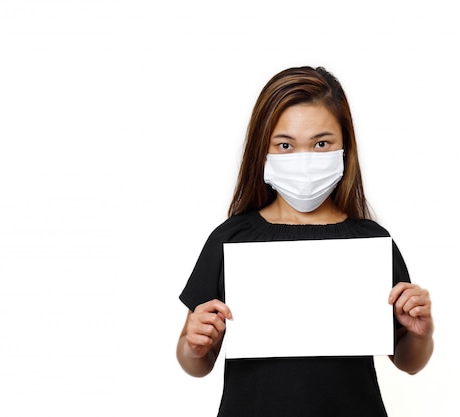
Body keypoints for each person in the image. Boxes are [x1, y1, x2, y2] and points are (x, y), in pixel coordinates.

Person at [176, 66, 434, 416]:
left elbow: (408, 362)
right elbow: (196, 361)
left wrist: (419, 332)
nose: (305, 160)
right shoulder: (231, 240)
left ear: (345, 147)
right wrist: (194, 344)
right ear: (262, 150)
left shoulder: (371, 242)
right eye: (285, 145)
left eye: (321, 143)